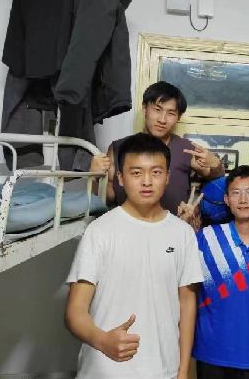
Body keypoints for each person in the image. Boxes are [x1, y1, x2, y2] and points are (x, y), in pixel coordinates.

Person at [65, 133, 204, 379]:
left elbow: (187, 304)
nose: (147, 181)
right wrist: (102, 340)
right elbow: (75, 311)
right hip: (104, 371)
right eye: (136, 172)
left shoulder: (183, 234)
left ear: (168, 177)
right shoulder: (99, 231)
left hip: (163, 371)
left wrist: (183, 371)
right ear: (120, 178)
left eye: (156, 172)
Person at [90, 82, 224, 216]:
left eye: (171, 113)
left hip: (173, 224)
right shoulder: (119, 147)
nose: (162, 120)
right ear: (145, 109)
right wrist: (95, 176)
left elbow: (218, 177)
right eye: (157, 110)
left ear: (178, 117)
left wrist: (215, 164)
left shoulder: (187, 149)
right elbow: (109, 197)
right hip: (128, 224)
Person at [193, 165, 249, 379]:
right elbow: (184, 289)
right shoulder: (206, 237)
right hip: (210, 354)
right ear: (226, 200)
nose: (243, 199)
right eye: (236, 193)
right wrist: (184, 228)